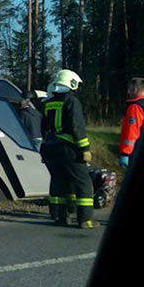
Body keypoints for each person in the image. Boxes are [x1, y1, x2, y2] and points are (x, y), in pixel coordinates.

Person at [40, 69, 96, 229]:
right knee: (82, 182)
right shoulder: (72, 101)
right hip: (68, 148)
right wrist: (85, 148)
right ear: (71, 83)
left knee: (58, 181)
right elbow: (77, 127)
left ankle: (59, 217)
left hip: (50, 148)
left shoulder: (48, 103)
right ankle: (85, 219)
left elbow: (43, 127)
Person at [119, 77, 144, 167]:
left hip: (137, 151)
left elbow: (132, 132)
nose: (128, 92)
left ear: (134, 89)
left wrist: (125, 153)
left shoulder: (135, 107)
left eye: (129, 89)